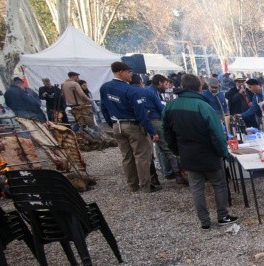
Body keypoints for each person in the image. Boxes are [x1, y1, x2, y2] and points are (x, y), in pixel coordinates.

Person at [162, 74, 237, 230]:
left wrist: (177, 151)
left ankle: (204, 222)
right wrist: (222, 152)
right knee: (219, 184)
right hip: (208, 153)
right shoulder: (203, 106)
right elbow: (216, 133)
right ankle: (222, 216)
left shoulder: (170, 106)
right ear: (199, 88)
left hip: (187, 154)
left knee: (197, 188)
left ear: (182, 86)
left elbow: (167, 133)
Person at [100, 61, 160, 193]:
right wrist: (151, 131)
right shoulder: (130, 90)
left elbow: (103, 108)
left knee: (126, 157)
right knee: (141, 155)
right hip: (132, 125)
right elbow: (141, 113)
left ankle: (132, 185)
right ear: (121, 72)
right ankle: (145, 185)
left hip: (117, 125)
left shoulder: (105, 87)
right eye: (129, 72)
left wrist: (112, 124)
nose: (131, 74)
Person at [146, 74, 186, 185]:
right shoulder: (152, 92)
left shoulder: (153, 91)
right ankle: (177, 175)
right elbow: (161, 108)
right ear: (159, 82)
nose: (167, 86)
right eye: (165, 83)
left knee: (161, 148)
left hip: (152, 121)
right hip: (156, 120)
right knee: (166, 148)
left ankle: (168, 171)